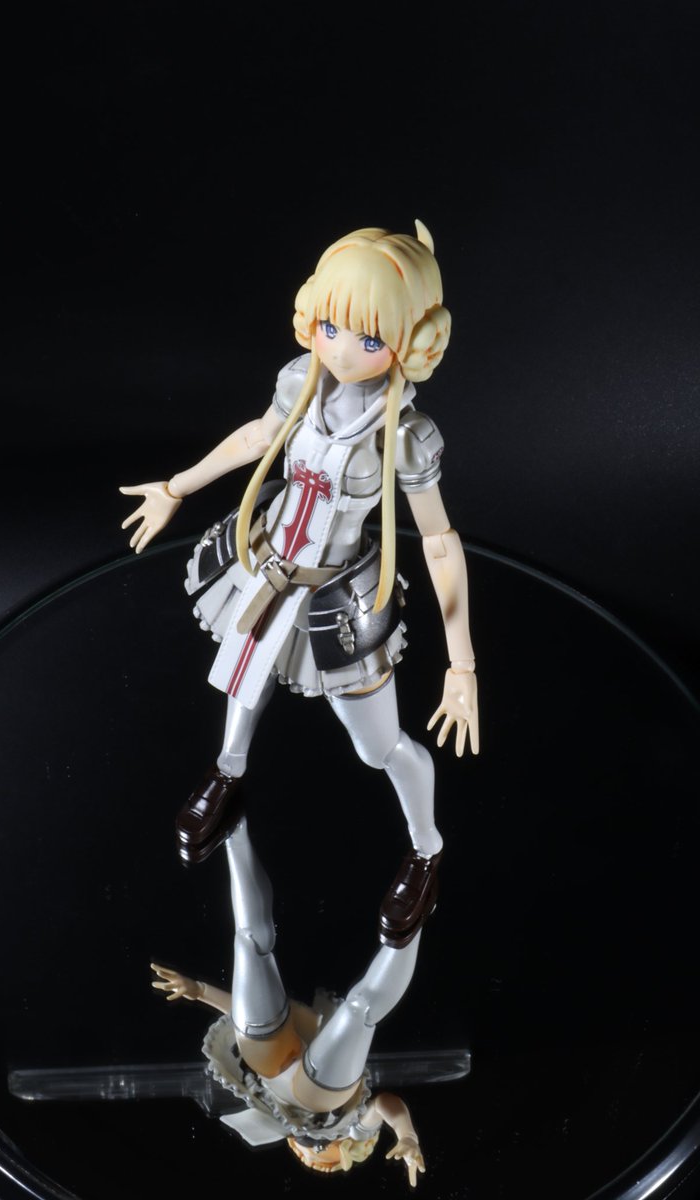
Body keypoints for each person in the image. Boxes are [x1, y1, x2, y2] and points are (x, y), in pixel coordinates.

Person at [122, 221, 478, 946]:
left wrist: (462, 664)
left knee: (379, 747)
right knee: (243, 676)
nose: (341, 349)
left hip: (340, 597)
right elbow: (258, 438)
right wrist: (176, 487)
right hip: (269, 563)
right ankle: (227, 773)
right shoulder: (301, 380)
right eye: (331, 326)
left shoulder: (403, 435)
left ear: (411, 343)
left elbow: (440, 542)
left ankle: (427, 850)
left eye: (368, 338)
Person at [151, 816, 426, 1184]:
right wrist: (407, 1135)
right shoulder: (350, 1129)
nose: (310, 1151)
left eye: (309, 1154)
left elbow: (240, 1014)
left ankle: (233, 829)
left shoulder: (274, 1119)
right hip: (319, 1093)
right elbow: (384, 1105)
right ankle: (412, 917)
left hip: (271, 1064)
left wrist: (200, 990)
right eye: (321, 1154)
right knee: (359, 1009)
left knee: (249, 943)